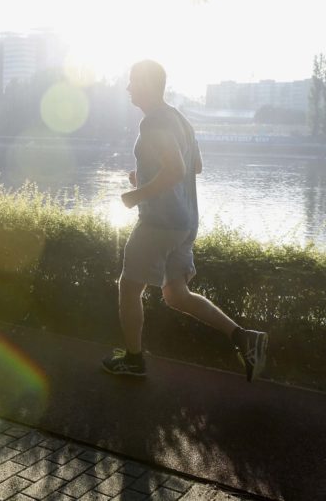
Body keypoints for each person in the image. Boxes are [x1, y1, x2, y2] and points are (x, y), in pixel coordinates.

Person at [102, 59, 268, 381]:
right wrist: (147, 176)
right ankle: (244, 338)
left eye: (132, 82)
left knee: (128, 287)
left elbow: (178, 169)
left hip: (159, 223)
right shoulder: (180, 120)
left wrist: (138, 194)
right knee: (175, 294)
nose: (127, 88)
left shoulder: (153, 122)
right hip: (185, 222)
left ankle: (134, 361)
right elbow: (195, 166)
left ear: (147, 85)